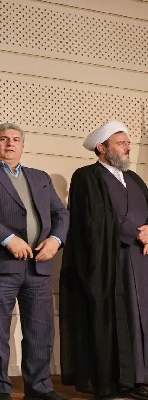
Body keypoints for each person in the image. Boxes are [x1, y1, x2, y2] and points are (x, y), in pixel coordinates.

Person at [0, 123, 69, 400]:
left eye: (16, 139)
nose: (10, 144)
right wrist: (7, 239)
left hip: (38, 266)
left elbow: (61, 214)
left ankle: (40, 389)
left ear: (22, 145)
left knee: (41, 333)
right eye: (4, 139)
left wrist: (55, 240)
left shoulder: (40, 177)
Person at [60, 121, 148, 400]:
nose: (128, 148)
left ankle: (139, 379)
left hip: (140, 261)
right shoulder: (86, 176)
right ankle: (112, 383)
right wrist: (134, 233)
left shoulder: (135, 179)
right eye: (121, 143)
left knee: (140, 319)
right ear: (102, 147)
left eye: (128, 143)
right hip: (108, 262)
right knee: (114, 320)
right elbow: (94, 220)